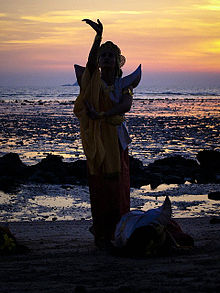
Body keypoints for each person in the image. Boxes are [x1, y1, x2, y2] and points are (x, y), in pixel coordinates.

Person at [73, 19, 141, 248]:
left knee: (118, 185)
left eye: (111, 56)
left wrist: (103, 115)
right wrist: (97, 38)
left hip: (116, 139)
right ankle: (101, 233)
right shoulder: (92, 82)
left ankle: (119, 231)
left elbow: (125, 106)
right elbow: (89, 64)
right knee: (99, 185)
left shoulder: (124, 84)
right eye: (103, 56)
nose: (106, 59)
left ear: (117, 61)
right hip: (97, 140)